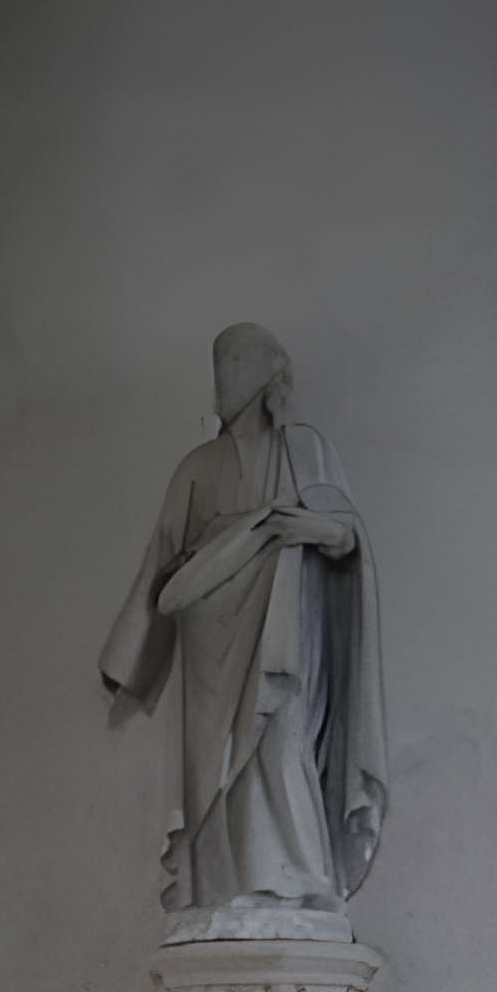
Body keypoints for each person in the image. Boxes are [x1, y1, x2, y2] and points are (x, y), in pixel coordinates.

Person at [100, 323, 387, 917]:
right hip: (210, 642)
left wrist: (282, 525)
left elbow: (343, 536)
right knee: (214, 769)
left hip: (285, 626)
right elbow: (165, 565)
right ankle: (225, 886)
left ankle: (298, 876)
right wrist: (129, 658)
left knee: (281, 741)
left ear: (267, 375)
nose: (223, 373)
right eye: (219, 360)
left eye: (235, 359)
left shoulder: (306, 450)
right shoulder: (197, 467)